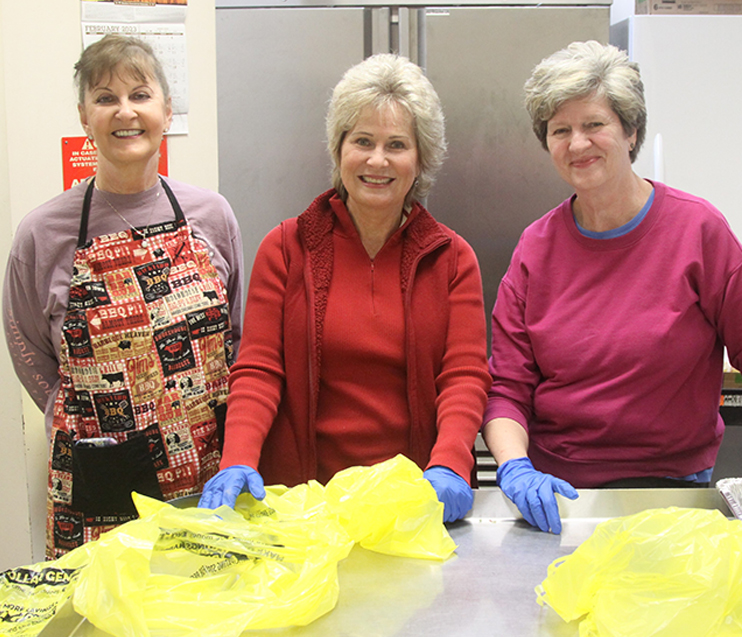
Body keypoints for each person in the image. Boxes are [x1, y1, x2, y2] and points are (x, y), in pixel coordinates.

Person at [482, 41, 742, 534]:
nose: (577, 144)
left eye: (594, 125)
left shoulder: (697, 231)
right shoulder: (535, 248)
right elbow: (507, 388)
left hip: (670, 493)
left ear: (631, 131)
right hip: (556, 497)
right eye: (560, 130)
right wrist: (515, 469)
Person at [199, 54, 491, 522]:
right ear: (339, 150)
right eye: (363, 141)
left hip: (413, 504)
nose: (377, 160)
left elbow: (464, 376)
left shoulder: (452, 259)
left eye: (397, 144)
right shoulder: (286, 249)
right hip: (304, 505)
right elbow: (258, 369)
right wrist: (238, 457)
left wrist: (452, 461)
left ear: (421, 159)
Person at [3, 35, 244, 558]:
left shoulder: (213, 216)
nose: (125, 112)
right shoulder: (42, 234)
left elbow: (238, 336)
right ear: (84, 116)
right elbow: (25, 345)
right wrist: (72, 413)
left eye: (140, 94)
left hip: (210, 476)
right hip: (102, 484)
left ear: (166, 110)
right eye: (106, 97)